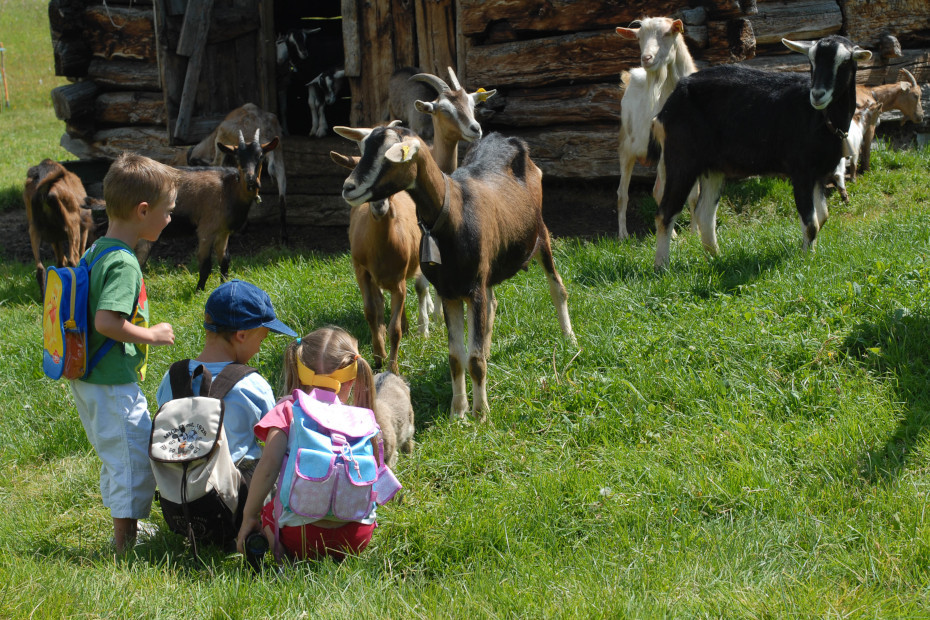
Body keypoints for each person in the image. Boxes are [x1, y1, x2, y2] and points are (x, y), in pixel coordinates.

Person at [68, 152, 178, 553]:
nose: (169, 219)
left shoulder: (98, 248)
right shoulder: (123, 263)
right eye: (167, 212)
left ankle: (127, 526)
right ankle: (124, 543)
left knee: (121, 454)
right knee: (131, 459)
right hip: (110, 381)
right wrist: (151, 334)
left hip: (91, 377)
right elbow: (106, 323)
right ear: (143, 210)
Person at [235, 326, 381, 561]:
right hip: (356, 538)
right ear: (351, 379)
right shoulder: (362, 418)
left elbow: (267, 469)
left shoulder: (288, 410)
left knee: (267, 512)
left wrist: (249, 517)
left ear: (299, 370)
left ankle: (283, 557)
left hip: (300, 539)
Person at [154, 279, 297, 481]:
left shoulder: (172, 377)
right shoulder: (252, 384)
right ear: (241, 335)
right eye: (261, 339)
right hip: (237, 497)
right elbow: (279, 441)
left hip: (179, 494)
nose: (259, 348)